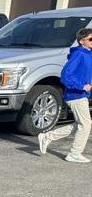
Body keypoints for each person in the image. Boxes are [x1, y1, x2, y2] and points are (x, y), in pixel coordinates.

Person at [38, 28, 92, 163]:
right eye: (91, 39)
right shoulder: (79, 54)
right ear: (81, 41)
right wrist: (81, 86)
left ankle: (48, 137)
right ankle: (74, 154)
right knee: (85, 125)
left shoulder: (87, 54)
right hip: (76, 95)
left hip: (81, 94)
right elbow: (65, 76)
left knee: (80, 124)